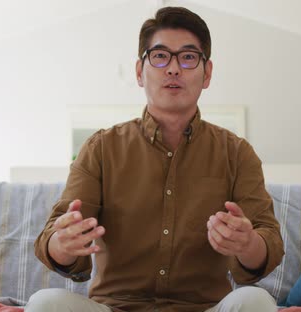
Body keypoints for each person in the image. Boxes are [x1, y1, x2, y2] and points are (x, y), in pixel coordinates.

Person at [27, 6, 284, 312]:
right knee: (45, 303)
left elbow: (269, 244)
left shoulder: (237, 153)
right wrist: (64, 244)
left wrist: (247, 244)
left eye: (188, 57)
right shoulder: (100, 148)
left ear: (208, 73)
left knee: (256, 301)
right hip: (115, 308)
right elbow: (54, 241)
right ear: (140, 71)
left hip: (204, 309)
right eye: (160, 56)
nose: (173, 68)